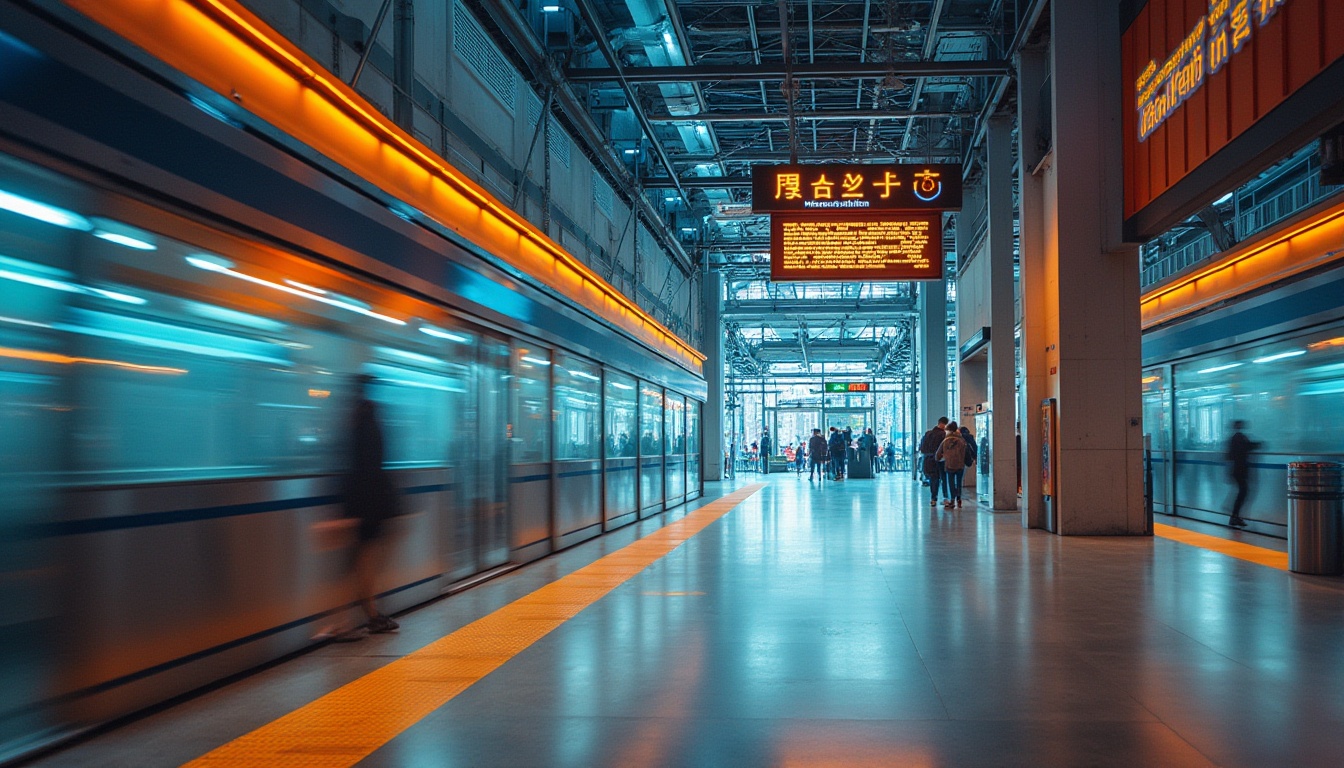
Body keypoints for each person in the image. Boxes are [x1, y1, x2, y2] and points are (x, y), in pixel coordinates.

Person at [338, 374, 400, 639]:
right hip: (369, 505)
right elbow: (372, 467)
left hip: (357, 502)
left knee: (359, 560)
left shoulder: (353, 423)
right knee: (364, 561)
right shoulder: (369, 424)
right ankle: (362, 617)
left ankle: (361, 616)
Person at [1226, 420, 1262, 528]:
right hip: (1240, 470)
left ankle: (1234, 515)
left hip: (1237, 470)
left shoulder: (1234, 438)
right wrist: (1259, 444)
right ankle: (1234, 516)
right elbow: (1247, 446)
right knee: (1243, 492)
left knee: (1242, 492)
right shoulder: (1239, 437)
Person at [936, 421, 968, 509]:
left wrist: (940, 458)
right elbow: (966, 452)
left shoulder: (945, 440)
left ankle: (952, 500)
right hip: (960, 465)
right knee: (959, 483)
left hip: (949, 465)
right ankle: (959, 499)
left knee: (951, 483)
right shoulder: (962, 440)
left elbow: (937, 455)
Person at [919, 418, 949, 506]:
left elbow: (922, 447)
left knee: (933, 479)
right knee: (943, 478)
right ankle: (945, 498)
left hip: (929, 460)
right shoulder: (943, 434)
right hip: (940, 460)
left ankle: (933, 498)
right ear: (944, 424)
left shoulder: (928, 434)